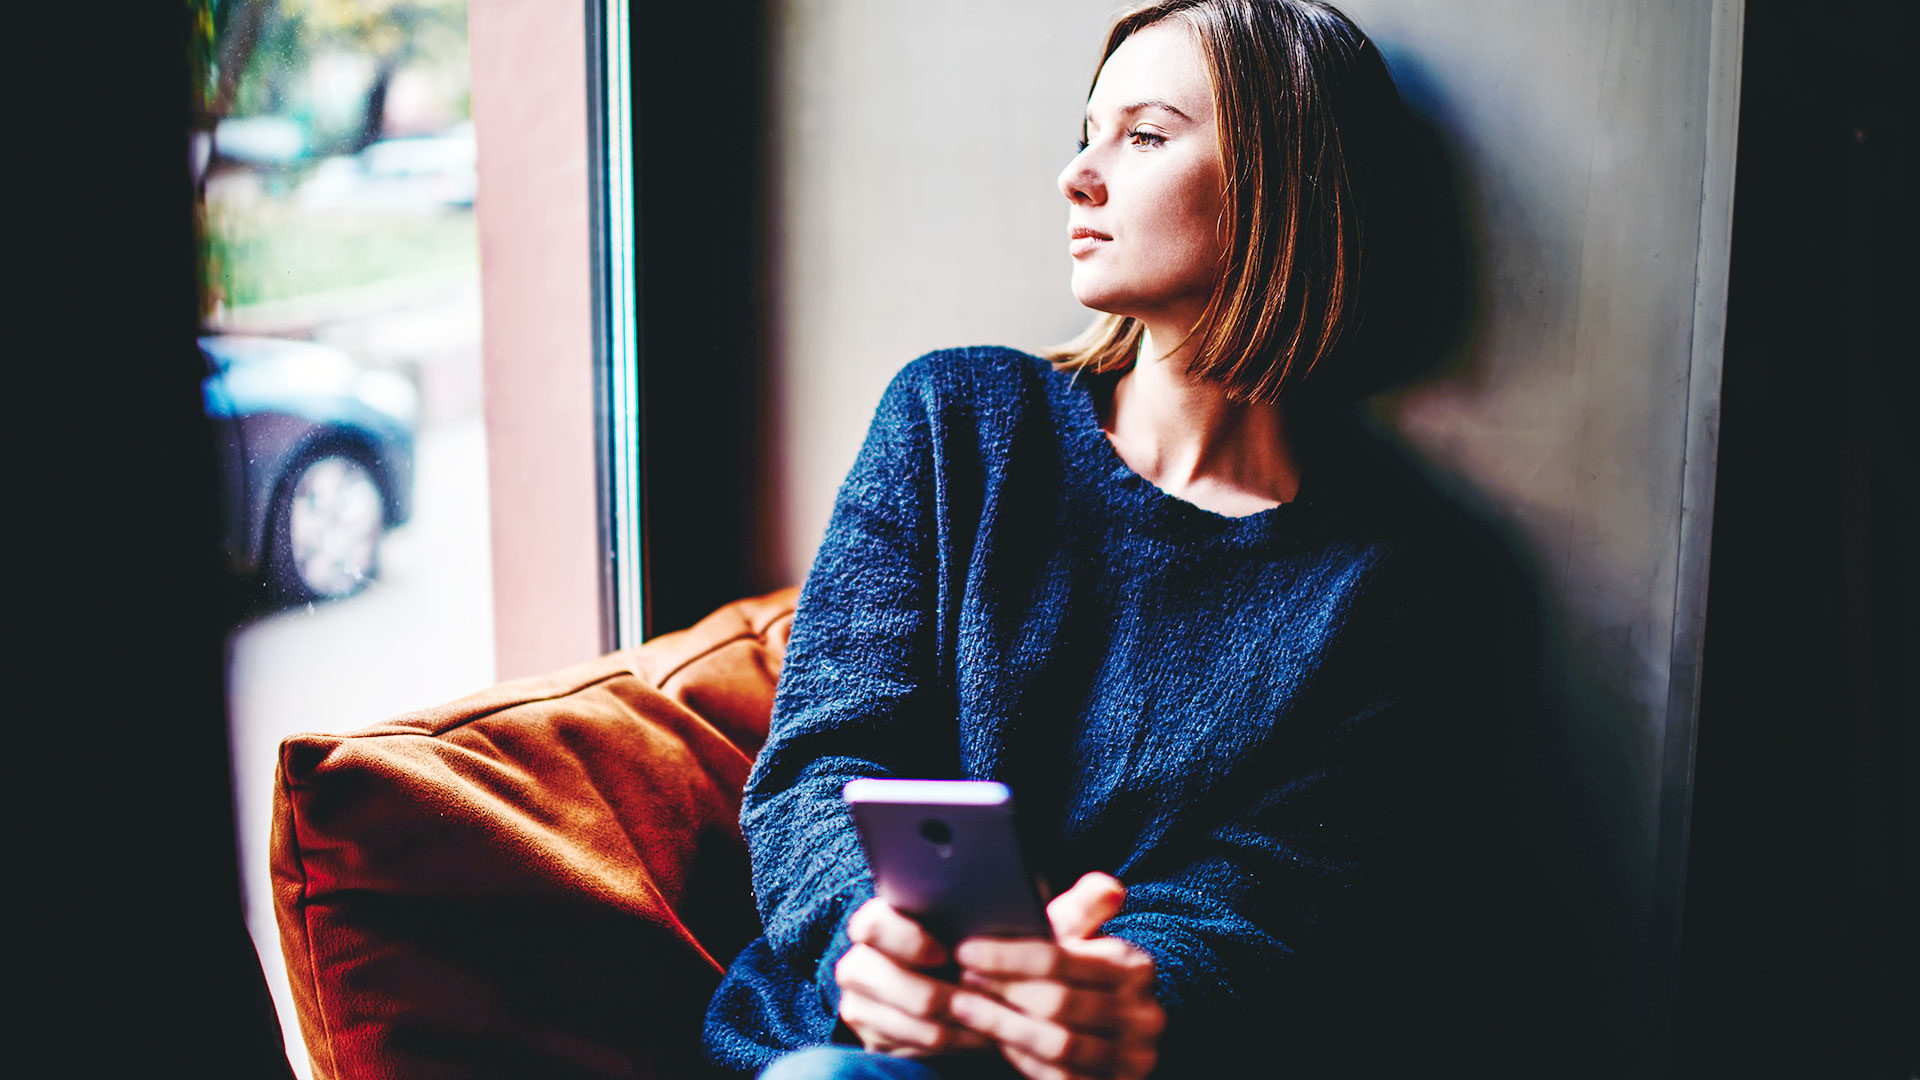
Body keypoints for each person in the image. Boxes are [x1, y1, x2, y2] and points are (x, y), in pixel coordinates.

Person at [703, 1, 1545, 1076]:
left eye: (1143, 136)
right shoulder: (958, 420)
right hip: (844, 1040)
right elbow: (821, 759)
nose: (1079, 176)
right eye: (1085, 134)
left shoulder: (1397, 580)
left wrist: (1122, 989)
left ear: (1286, 180)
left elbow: (1275, 894)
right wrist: (866, 946)